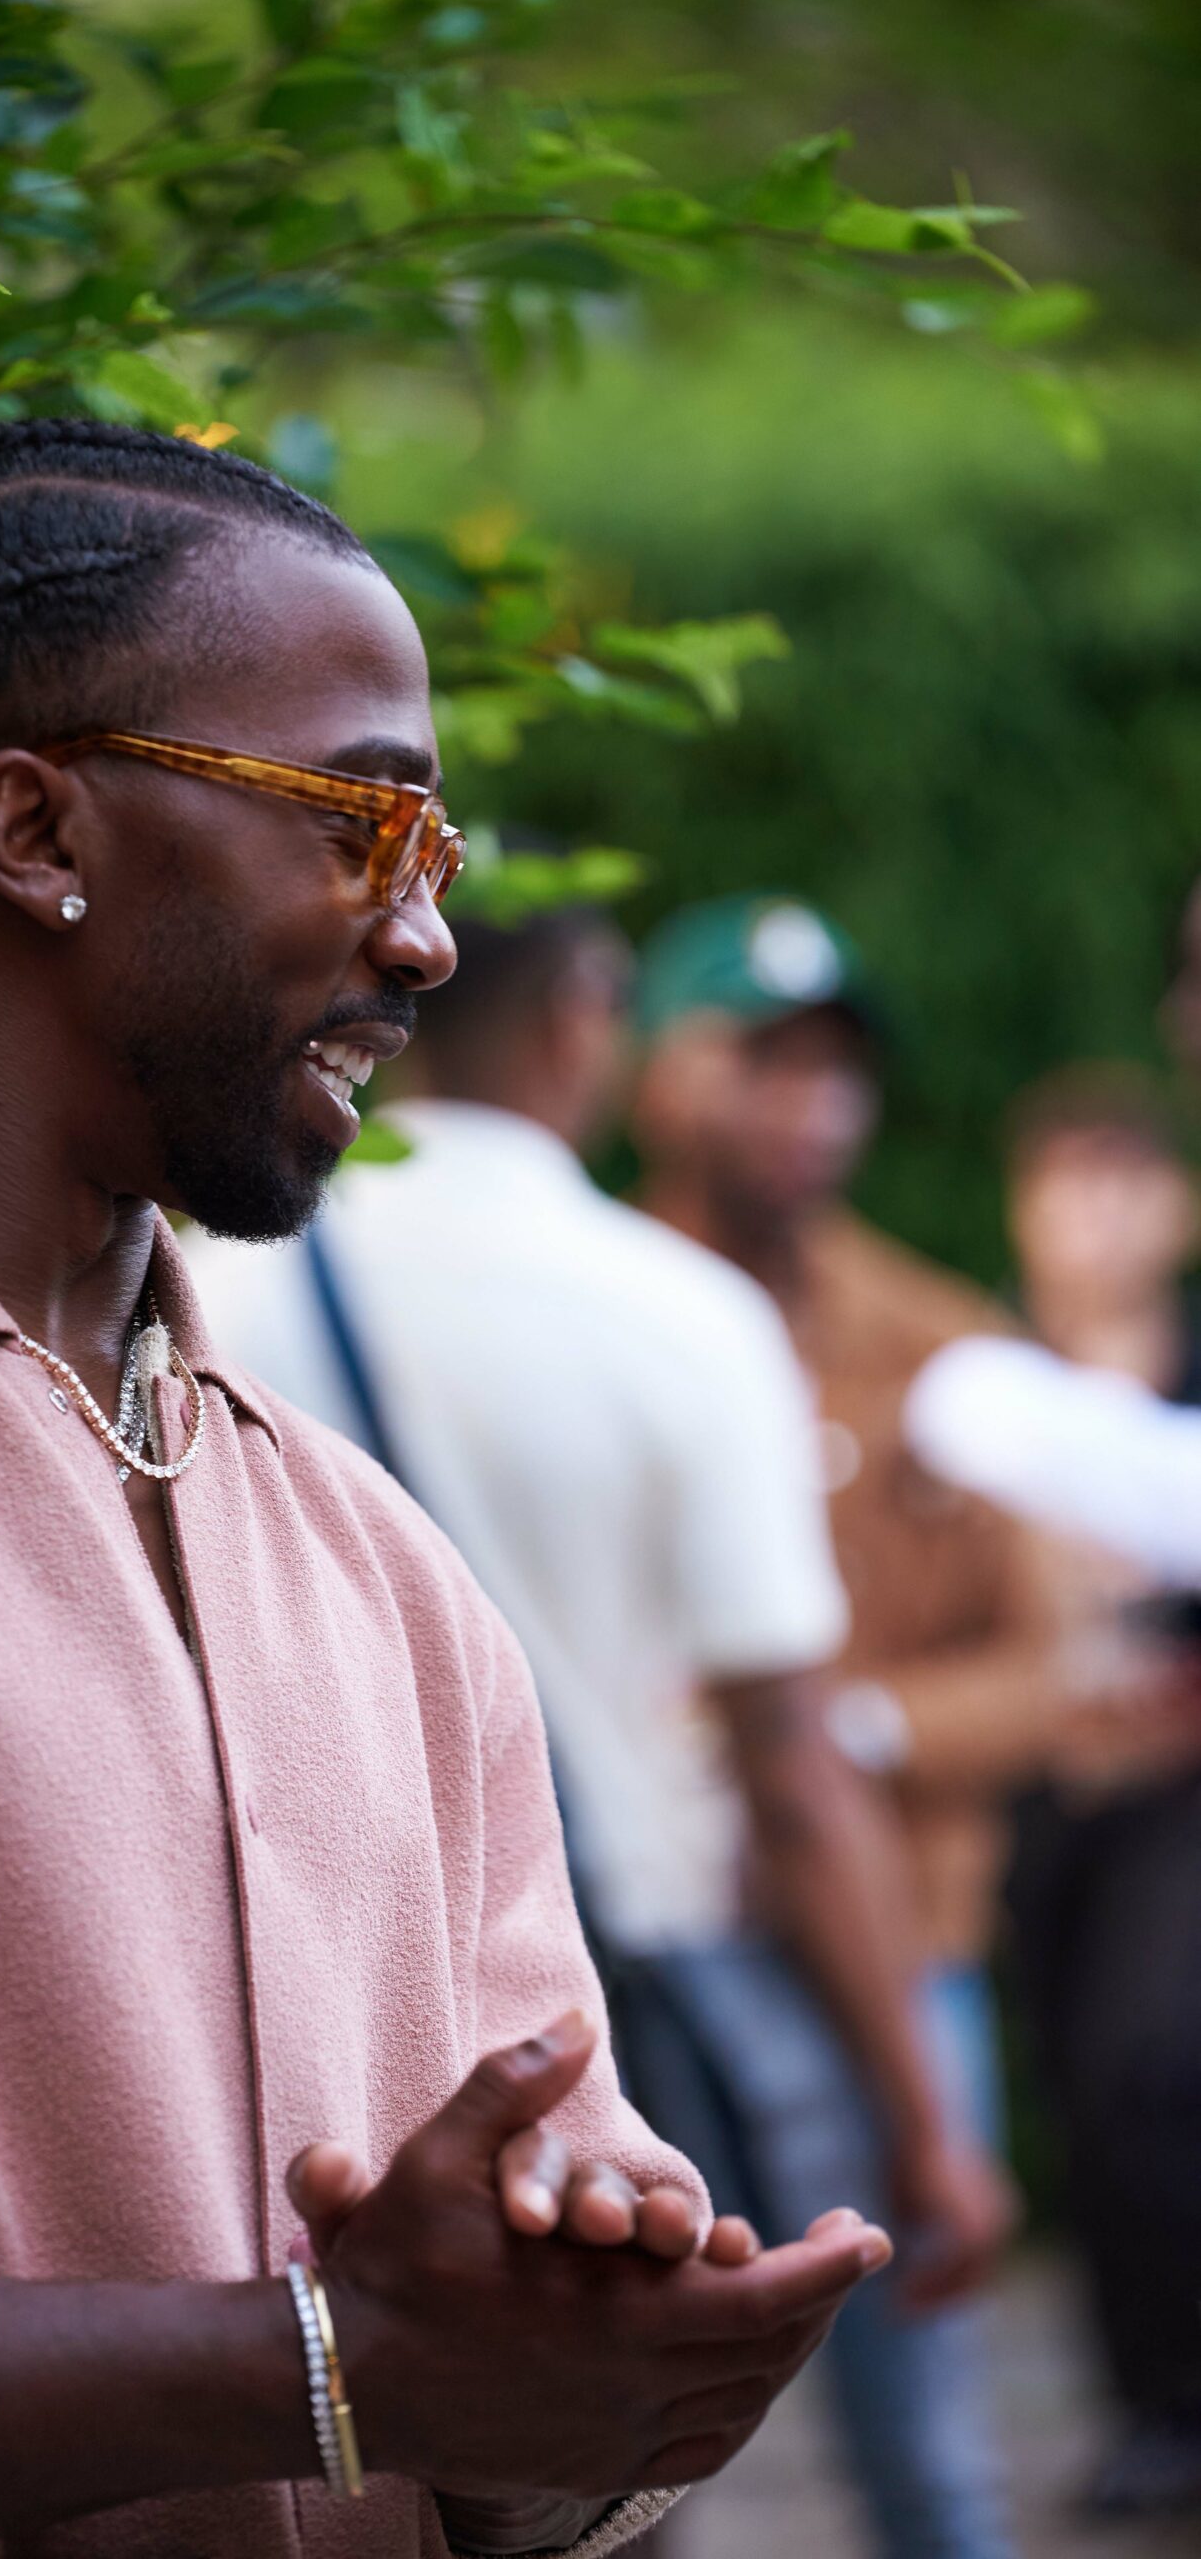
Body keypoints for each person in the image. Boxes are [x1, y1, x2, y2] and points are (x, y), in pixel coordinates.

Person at [0, 426, 892, 2559]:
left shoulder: (382, 1571)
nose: (428, 939)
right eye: (359, 822)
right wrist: (322, 2369)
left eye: (439, 847)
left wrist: (578, 2363)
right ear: (38, 827)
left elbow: (502, 2446)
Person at [188, 896, 1010, 2559]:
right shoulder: (674, 1317)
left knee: (412, 2491)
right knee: (731, 2483)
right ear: (583, 1020)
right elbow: (788, 1772)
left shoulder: (211, 1276)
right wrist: (926, 2125)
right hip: (612, 2007)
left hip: (310, 2008)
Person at [632, 894, 1057, 2559]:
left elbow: (1048, 1666)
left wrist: (846, 1732)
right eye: (763, 1060)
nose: (808, 1105)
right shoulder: (587, 1319)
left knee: (932, 2456)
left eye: (836, 1070)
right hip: (652, 1959)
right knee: (613, 2476)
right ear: (654, 1070)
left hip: (898, 1952)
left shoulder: (939, 1341)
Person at [994, 1068, 1201, 2518]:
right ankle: (1143, 2396)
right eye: (1068, 1183)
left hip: (1182, 1795)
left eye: (1125, 1180)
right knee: (1078, 2083)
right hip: (1039, 1788)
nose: (1098, 1216)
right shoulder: (982, 1383)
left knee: (1153, 2067)